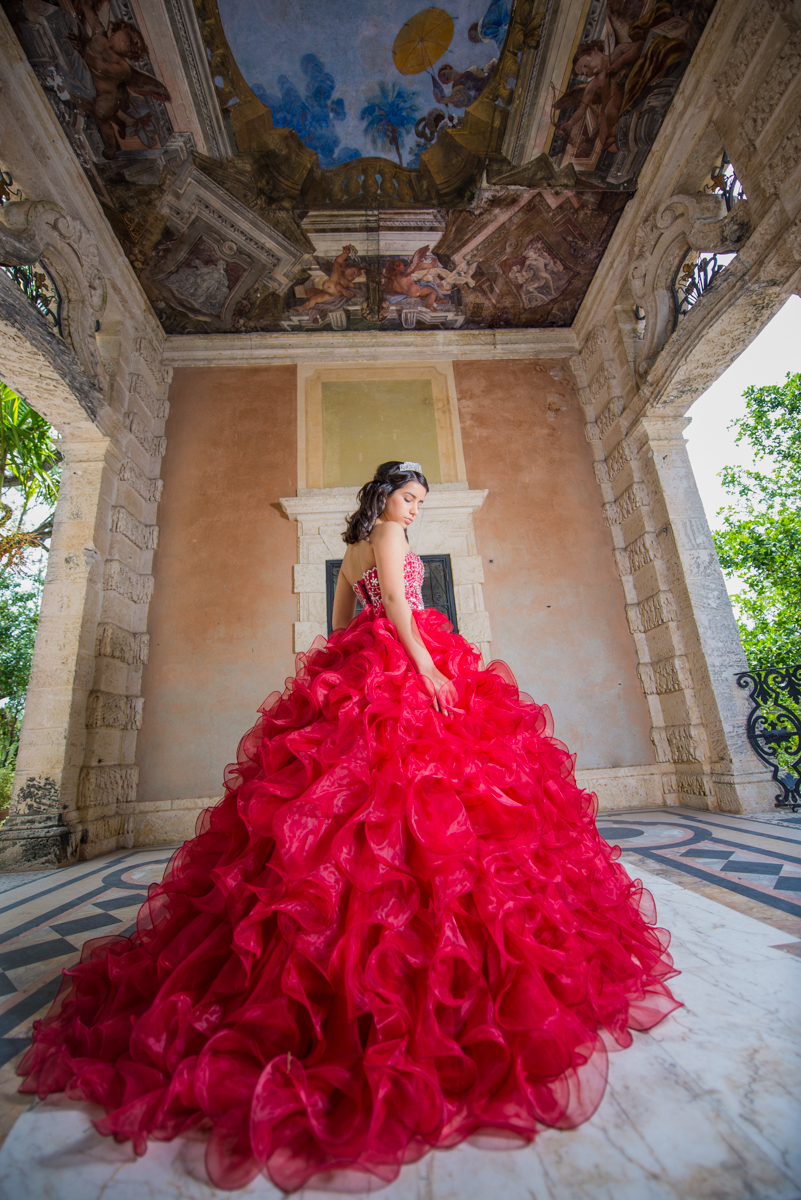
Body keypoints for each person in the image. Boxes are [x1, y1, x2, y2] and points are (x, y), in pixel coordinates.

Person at [18, 461, 681, 1193]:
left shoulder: (357, 541)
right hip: (404, 663)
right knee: (418, 805)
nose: (415, 510)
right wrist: (425, 663)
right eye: (409, 497)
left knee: (347, 808)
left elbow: (341, 622)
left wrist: (357, 655)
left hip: (363, 664)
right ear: (385, 497)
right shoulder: (391, 536)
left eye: (422, 501)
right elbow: (396, 598)